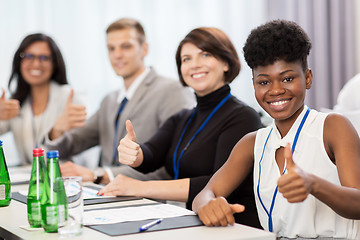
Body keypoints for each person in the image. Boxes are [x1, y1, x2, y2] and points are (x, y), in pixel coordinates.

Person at [192, 20, 360, 239]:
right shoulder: (252, 142)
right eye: (264, 82)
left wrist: (314, 185)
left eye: (287, 78)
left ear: (307, 78)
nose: (276, 90)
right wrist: (208, 204)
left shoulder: (332, 127)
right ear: (254, 85)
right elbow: (206, 193)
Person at [99, 27, 263, 228]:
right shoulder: (182, 118)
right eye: (186, 59)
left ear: (226, 63)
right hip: (191, 223)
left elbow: (215, 184)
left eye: (205, 54)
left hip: (234, 227)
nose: (195, 65)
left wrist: (141, 187)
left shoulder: (243, 117)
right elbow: (151, 154)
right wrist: (134, 153)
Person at [44, 18, 195, 184]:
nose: (117, 55)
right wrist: (57, 130)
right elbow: (68, 146)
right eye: (111, 48)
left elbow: (174, 163)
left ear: (144, 49)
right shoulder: (109, 101)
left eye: (126, 46)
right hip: (108, 197)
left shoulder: (172, 90)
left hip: (149, 201)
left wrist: (100, 175)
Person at [0, 33, 86, 165]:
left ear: (54, 63)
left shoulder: (69, 97)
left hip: (62, 179)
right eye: (29, 56)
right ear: (19, 61)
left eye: (44, 58)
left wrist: (57, 132)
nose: (36, 64)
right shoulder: (16, 103)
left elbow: (81, 150)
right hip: (29, 182)